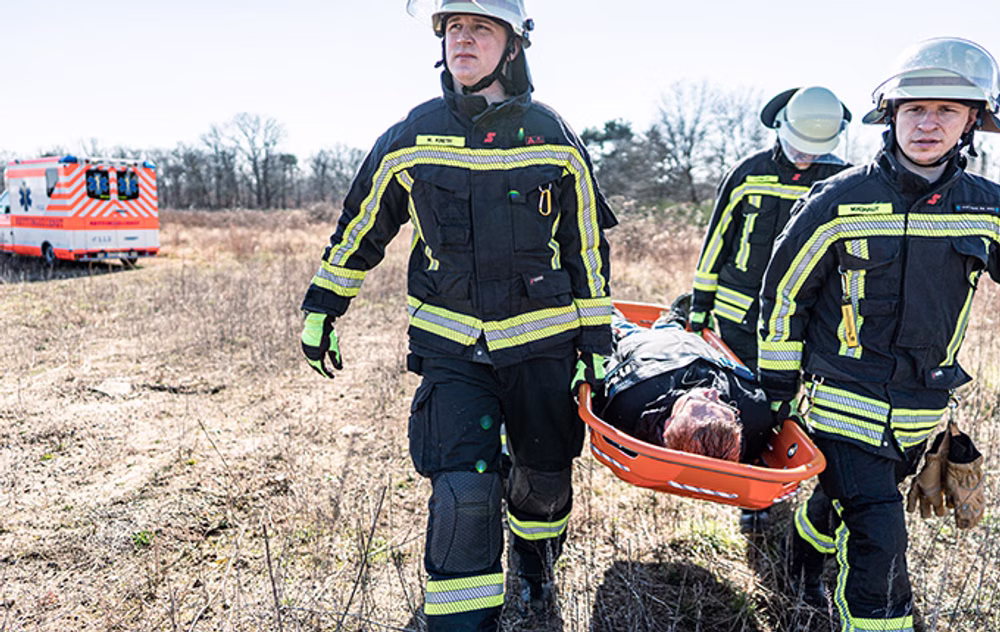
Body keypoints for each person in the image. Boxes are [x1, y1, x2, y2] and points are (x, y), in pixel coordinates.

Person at [299, 1, 616, 629]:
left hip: (542, 349)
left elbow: (586, 249)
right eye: (453, 30)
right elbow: (360, 228)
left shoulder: (553, 136)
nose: (462, 40)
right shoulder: (411, 135)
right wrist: (322, 307)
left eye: (480, 28)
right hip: (454, 353)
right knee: (463, 493)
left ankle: (536, 571)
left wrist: (597, 340)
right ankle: (463, 622)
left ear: (513, 46)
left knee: (543, 486)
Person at [757, 37, 1000, 630]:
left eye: (946, 110)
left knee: (846, 509)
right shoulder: (839, 199)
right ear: (890, 116)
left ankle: (805, 554)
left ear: (972, 121)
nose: (928, 123)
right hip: (842, 401)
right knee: (881, 537)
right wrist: (777, 386)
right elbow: (786, 295)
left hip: (920, 409)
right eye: (914, 109)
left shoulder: (988, 207)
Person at [690, 85, 852, 535]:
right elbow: (717, 239)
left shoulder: (843, 184)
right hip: (737, 318)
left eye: (814, 148)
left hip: (799, 323)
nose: (804, 155)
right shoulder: (749, 173)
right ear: (780, 126)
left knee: (783, 404)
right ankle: (746, 492)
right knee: (744, 402)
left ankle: (766, 488)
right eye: (798, 143)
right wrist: (700, 305)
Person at [598, 303, 773, 464]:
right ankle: (673, 321)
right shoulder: (753, 416)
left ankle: (633, 320)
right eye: (729, 409)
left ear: (668, 424)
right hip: (696, 347)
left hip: (652, 349)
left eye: (703, 401)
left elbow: (610, 362)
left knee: (623, 331)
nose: (713, 393)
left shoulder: (631, 400)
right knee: (671, 329)